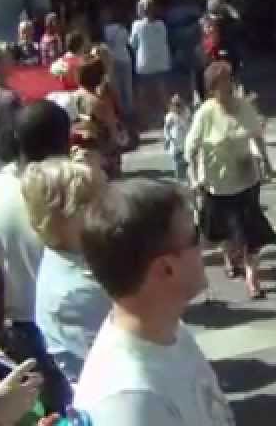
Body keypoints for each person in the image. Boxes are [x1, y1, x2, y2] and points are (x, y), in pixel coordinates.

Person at [73, 177, 235, 424]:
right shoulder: (131, 403)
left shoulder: (169, 331)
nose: (203, 244)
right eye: (194, 236)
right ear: (166, 268)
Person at [0, 101, 72, 412]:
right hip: (71, 321)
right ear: (64, 141)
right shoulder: (72, 189)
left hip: (18, 330)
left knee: (43, 412)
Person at [185, 61, 276, 300]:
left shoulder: (243, 106)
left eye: (229, 82)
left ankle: (252, 278)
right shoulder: (206, 112)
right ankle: (229, 256)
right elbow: (191, 147)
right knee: (221, 229)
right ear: (211, 88)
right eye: (220, 84)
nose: (227, 88)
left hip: (246, 178)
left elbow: (257, 135)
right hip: (217, 183)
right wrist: (194, 177)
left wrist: (266, 161)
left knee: (251, 232)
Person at [24, 158, 112, 390]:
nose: (103, 208)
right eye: (87, 202)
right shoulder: (74, 293)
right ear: (58, 217)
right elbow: (113, 365)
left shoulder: (78, 256)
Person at [130, 0, 172, 130]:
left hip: (144, 63)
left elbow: (132, 43)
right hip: (161, 61)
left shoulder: (137, 25)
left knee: (143, 94)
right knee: (163, 91)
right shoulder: (161, 24)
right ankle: (169, 116)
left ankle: (145, 121)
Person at [0, 46, 22, 177]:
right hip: (3, 167)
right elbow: (9, 137)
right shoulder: (6, 98)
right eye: (8, 58)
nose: (12, 60)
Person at [101, 5, 133, 118]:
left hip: (113, 60)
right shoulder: (123, 28)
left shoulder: (106, 30)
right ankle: (130, 111)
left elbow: (106, 44)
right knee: (127, 86)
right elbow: (129, 43)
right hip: (125, 58)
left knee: (117, 87)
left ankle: (121, 112)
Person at [164, 94, 192, 183]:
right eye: (176, 104)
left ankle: (190, 182)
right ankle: (180, 182)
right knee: (178, 166)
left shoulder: (186, 112)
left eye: (179, 104)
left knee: (189, 165)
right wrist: (168, 139)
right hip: (176, 145)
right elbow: (166, 129)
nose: (178, 106)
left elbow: (191, 123)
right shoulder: (170, 116)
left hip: (187, 143)